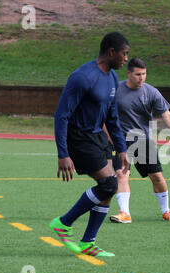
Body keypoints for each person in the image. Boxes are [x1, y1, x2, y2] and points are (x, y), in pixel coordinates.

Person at [49, 32, 130, 257]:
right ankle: (63, 223)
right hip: (79, 138)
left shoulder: (112, 77)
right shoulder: (82, 77)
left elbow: (112, 117)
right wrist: (63, 154)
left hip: (98, 137)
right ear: (111, 52)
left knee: (108, 190)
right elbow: (61, 115)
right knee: (108, 185)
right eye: (124, 54)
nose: (126, 59)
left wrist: (121, 148)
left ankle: (88, 243)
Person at [108, 57, 170, 223]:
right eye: (137, 74)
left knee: (157, 177)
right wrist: (110, 139)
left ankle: (166, 211)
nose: (141, 77)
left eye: (144, 74)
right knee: (121, 174)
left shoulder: (151, 92)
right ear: (128, 73)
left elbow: (167, 116)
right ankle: (124, 213)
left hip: (143, 141)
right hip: (120, 141)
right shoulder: (115, 90)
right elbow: (104, 117)